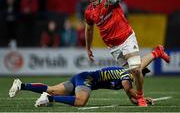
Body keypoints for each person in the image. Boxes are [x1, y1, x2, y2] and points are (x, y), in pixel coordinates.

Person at [84, 0, 170, 106]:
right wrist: (88, 48)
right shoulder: (89, 12)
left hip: (126, 38)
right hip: (113, 48)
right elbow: (89, 30)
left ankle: (140, 96)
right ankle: (157, 52)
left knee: (135, 69)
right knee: (133, 73)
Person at [9, 45, 169, 107]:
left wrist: (140, 99)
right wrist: (142, 99)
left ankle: (22, 85)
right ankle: (48, 99)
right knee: (81, 102)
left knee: (51, 89)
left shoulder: (126, 75)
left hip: (83, 77)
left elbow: (132, 99)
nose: (141, 77)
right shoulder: (127, 76)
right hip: (87, 80)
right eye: (141, 75)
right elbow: (132, 94)